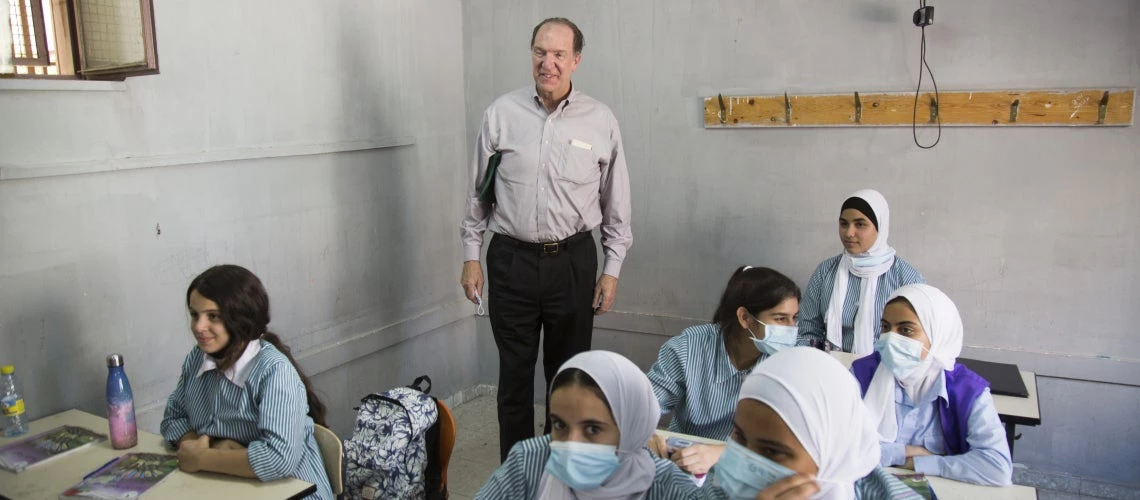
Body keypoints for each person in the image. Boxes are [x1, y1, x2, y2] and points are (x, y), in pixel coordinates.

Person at [459, 17, 632, 461]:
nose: (547, 63)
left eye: (558, 54)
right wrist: (471, 256)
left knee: (569, 379)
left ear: (576, 60)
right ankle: (517, 476)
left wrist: (611, 269)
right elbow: (479, 194)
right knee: (514, 380)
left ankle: (563, 475)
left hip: (572, 263)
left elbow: (616, 204)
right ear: (531, 54)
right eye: (540, 52)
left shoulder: (600, 121)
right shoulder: (500, 114)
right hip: (511, 261)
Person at [160, 265, 333, 500]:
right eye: (194, 315)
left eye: (213, 316)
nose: (198, 327)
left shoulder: (274, 372)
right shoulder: (196, 359)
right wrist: (196, 446)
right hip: (226, 486)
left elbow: (278, 459)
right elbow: (174, 417)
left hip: (293, 491)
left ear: (239, 318)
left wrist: (203, 458)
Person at [475, 351, 700, 499]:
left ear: (631, 430)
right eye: (559, 425)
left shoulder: (666, 486)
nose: (571, 445)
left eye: (593, 429)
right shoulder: (530, 461)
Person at [706, 347, 922, 500]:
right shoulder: (723, 488)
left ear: (831, 453)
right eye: (739, 437)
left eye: (771, 451)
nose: (743, 464)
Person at [646, 266, 801, 476]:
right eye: (781, 319)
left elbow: (786, 442)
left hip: (748, 467)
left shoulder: (788, 361)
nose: (791, 330)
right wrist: (645, 434)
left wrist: (722, 454)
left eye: (794, 318)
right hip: (683, 458)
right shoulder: (689, 347)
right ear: (745, 317)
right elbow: (645, 405)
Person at [852, 284, 1013, 486]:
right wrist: (904, 453)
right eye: (885, 327)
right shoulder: (862, 373)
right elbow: (837, 445)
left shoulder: (968, 391)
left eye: (906, 330)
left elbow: (997, 468)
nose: (891, 338)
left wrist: (921, 463)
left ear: (937, 336)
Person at [798, 189, 924, 354]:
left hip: (883, 370)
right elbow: (808, 330)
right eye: (844, 224)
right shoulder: (825, 272)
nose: (849, 233)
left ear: (880, 227)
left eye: (860, 224)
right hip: (829, 369)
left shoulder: (906, 279)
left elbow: (913, 340)